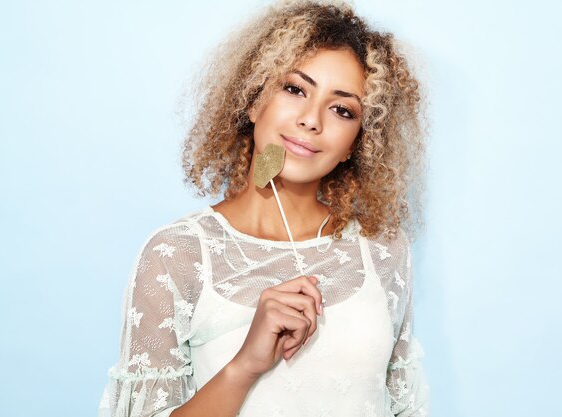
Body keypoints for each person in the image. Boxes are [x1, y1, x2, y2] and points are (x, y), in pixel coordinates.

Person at [97, 0, 429, 416]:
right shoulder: (177, 256)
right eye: (295, 89)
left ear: (355, 145)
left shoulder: (383, 249)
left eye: (342, 110)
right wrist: (245, 365)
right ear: (254, 101)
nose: (311, 120)